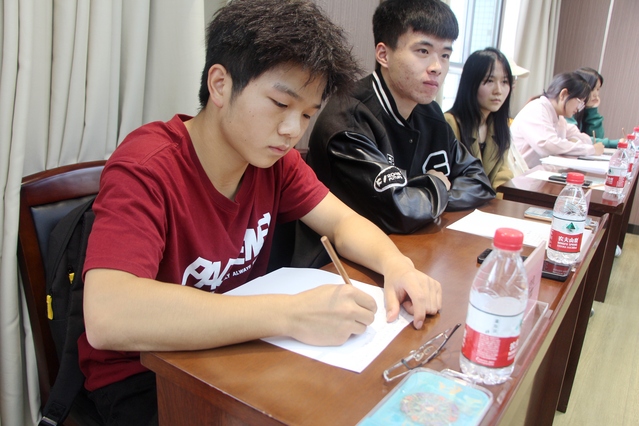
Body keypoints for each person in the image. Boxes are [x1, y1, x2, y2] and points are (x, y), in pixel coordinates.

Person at [80, 1, 442, 424]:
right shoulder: (148, 166)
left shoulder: (274, 162)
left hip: (232, 353)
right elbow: (109, 314)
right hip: (146, 376)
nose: (292, 130)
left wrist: (397, 266)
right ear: (220, 85)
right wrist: (290, 315)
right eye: (279, 104)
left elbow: (343, 223)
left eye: (306, 115)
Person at [294, 0, 495, 268]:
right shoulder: (349, 118)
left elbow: (479, 181)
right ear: (384, 54)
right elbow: (400, 211)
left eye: (445, 55)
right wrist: (436, 185)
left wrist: (425, 195)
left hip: (411, 252)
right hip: (338, 266)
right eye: (423, 51)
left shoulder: (431, 113)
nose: (437, 66)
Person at [444, 48, 514, 191]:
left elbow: (502, 174)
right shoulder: (450, 123)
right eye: (489, 81)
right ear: (471, 83)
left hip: (488, 202)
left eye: (505, 81)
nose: (498, 90)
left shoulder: (499, 127)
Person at [511, 72, 605, 168]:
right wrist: (590, 150)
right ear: (563, 94)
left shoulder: (559, 118)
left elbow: (582, 138)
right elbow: (548, 145)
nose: (578, 108)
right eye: (579, 102)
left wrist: (572, 143)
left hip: (536, 173)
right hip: (519, 174)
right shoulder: (537, 109)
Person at [567, 67, 619, 148]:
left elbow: (597, 138)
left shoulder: (583, 109)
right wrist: (614, 143)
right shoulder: (568, 109)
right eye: (592, 89)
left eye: (598, 89)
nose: (596, 94)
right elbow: (576, 138)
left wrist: (592, 110)